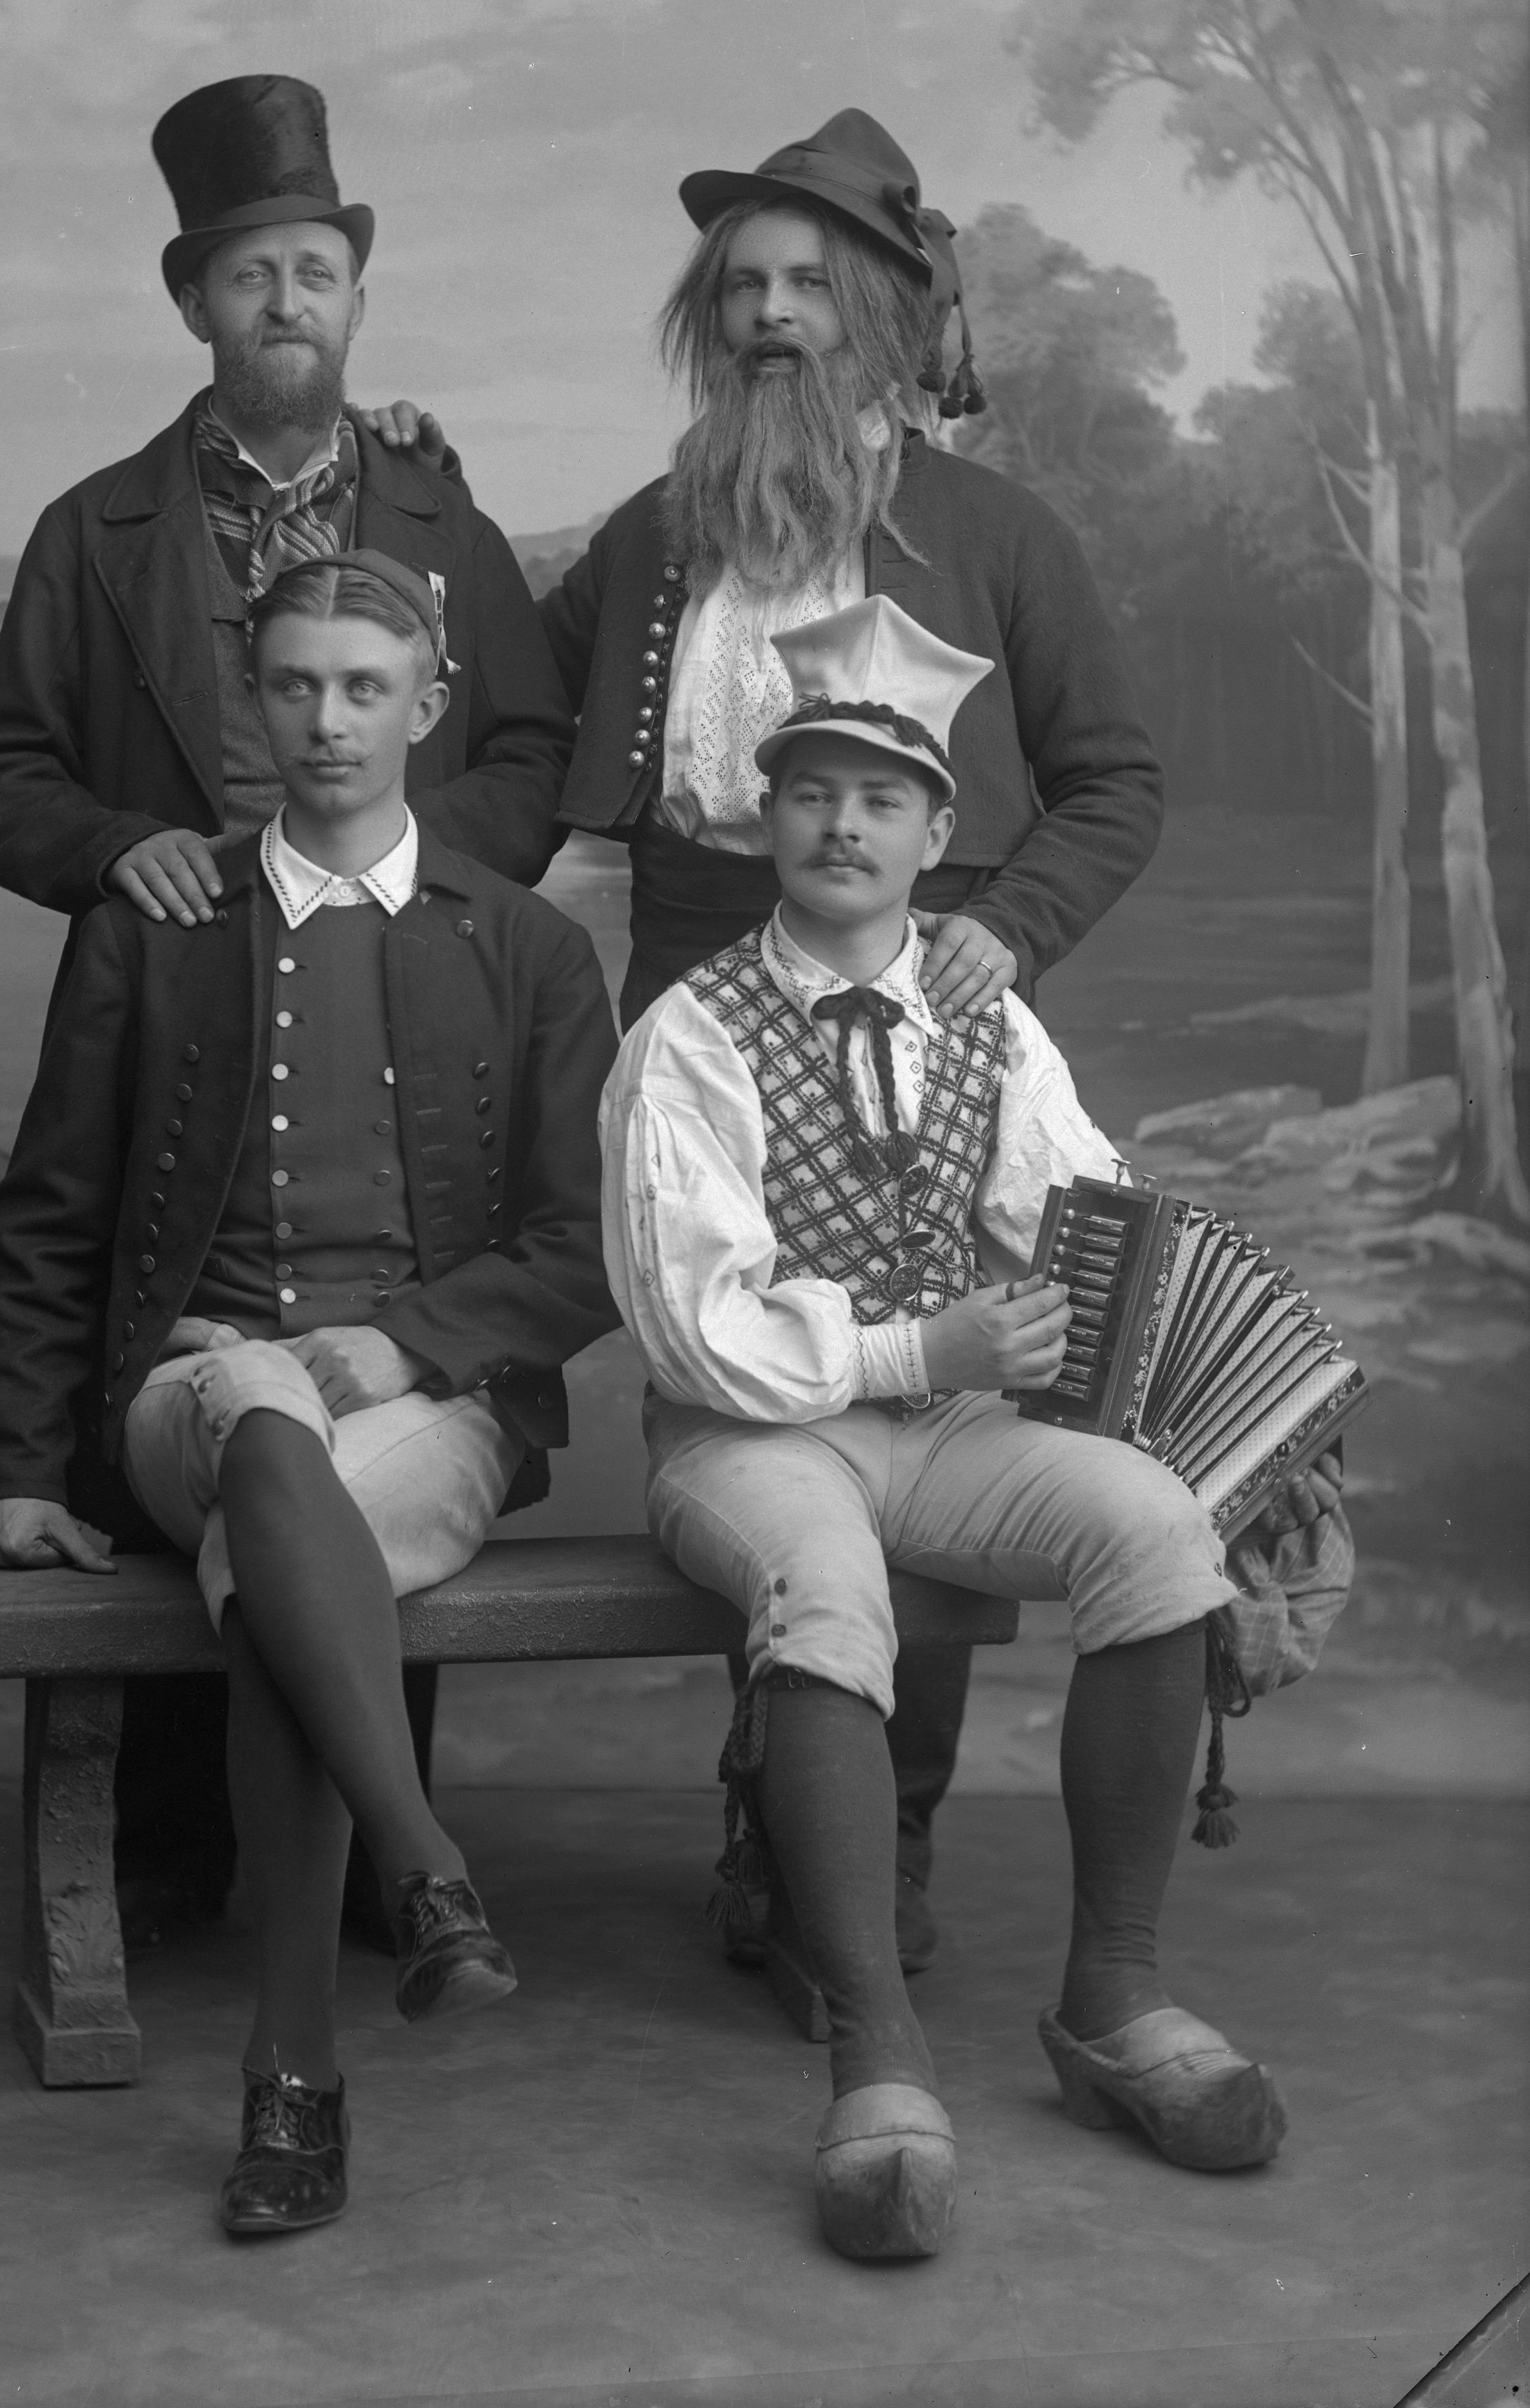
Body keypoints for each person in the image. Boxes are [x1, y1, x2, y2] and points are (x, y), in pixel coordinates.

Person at [366, 109, 1166, 1970]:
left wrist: (1006, 928)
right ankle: (780, 1822)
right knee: (752, 1409)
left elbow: (1111, 783)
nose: (770, 318)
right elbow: (497, 696)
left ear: (883, 317)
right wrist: (420, 501)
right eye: (739, 290)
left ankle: (874, 1850)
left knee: (927, 1410)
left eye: (809, 285)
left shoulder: (994, 534)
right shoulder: (658, 535)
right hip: (698, 999)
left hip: (922, 1009)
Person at [597, 593, 1341, 2261]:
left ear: (936, 834)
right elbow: (693, 1326)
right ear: (764, 816)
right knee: (824, 1585)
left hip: (940, 1424)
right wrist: (912, 1339)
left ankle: (1111, 1995)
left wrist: (1230, 1412)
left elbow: (1087, 1215)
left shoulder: (986, 1019)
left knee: (1152, 1527)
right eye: (810, 791)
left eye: (881, 798)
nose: (841, 825)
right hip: (745, 1437)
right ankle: (875, 2057)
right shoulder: (687, 1033)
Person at [0, 74, 578, 1941]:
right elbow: (2, 776)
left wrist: (407, 883)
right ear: (193, 304)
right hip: (173, 992)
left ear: (355, 298)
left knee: (368, 1340)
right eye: (247, 275)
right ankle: (174, 1858)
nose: (284, 301)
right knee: (187, 1331)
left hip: (396, 993)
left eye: (313, 269)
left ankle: (382, 1876)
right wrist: (126, 851)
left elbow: (531, 754)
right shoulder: (95, 530)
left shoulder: (441, 516)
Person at [0, 550, 620, 2236]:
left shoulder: (528, 945)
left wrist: (408, 1342)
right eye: (293, 685)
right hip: (188, 1399)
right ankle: (421, 1863)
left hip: (433, 1414)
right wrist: (19, 1471)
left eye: (362, 688)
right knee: (256, 1406)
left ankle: (295, 2080)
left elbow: (590, 1246)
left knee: (282, 1549)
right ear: (251, 701)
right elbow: (50, 1217)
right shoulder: (153, 928)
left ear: (428, 703)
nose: (327, 721)